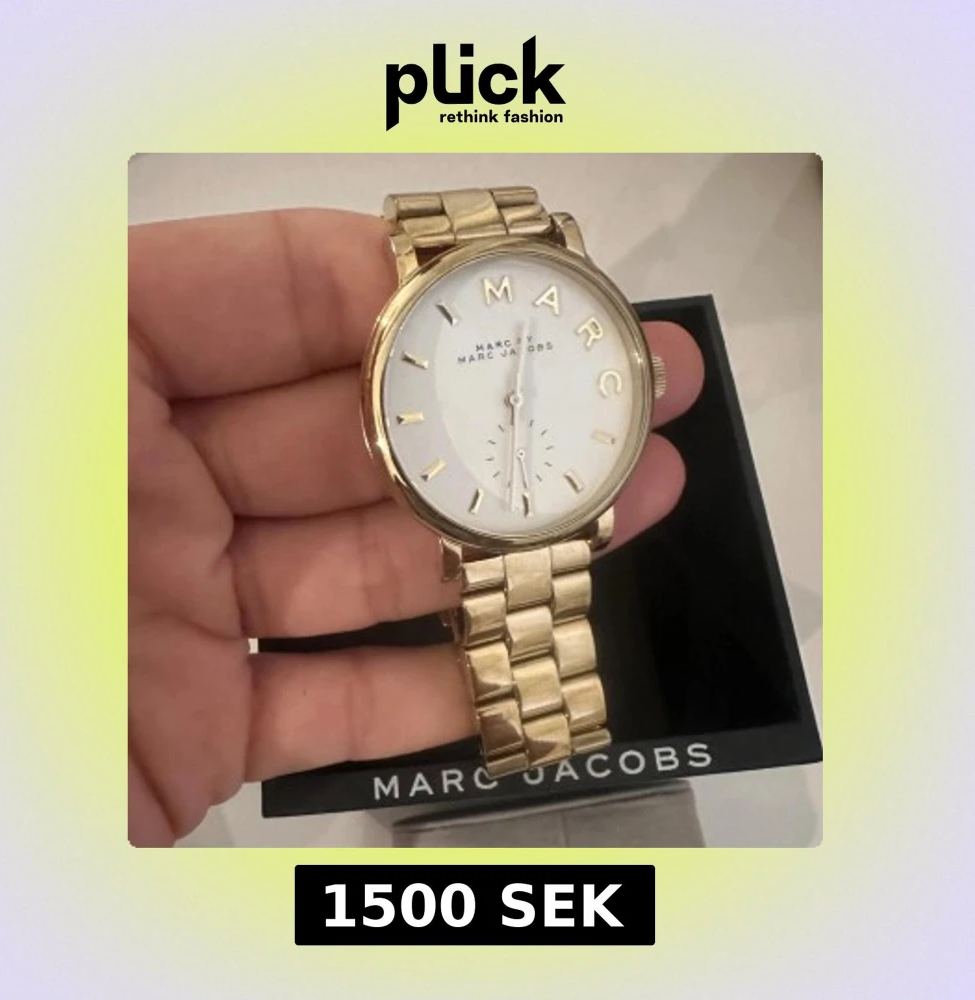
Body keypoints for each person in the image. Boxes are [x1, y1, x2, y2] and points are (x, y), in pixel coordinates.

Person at [128, 209, 705, 846]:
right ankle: (537, 728)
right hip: (476, 519)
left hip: (562, 507)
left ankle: (545, 730)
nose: (515, 398)